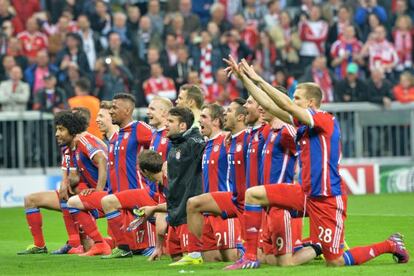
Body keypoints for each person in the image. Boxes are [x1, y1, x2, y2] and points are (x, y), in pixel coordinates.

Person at [223, 56, 409, 269]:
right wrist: (244, 79)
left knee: (336, 261)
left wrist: (257, 78)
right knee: (253, 194)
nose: (294, 102)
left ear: (311, 103)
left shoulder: (324, 118)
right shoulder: (302, 126)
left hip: (327, 197)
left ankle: (389, 244)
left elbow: (284, 105)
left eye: (298, 98)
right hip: (305, 193)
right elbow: (268, 105)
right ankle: (250, 257)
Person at [184, 99, 249, 264]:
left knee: (231, 257)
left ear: (216, 121)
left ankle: (247, 250)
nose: (200, 120)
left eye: (204, 117)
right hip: (208, 212)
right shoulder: (206, 145)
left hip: (225, 209)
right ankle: (198, 251)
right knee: (211, 260)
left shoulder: (226, 140)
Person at [139, 107, 206, 266]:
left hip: (186, 217)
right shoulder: (174, 146)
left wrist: (196, 132)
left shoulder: (192, 143)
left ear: (182, 126)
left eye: (170, 121)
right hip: (174, 216)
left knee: (194, 261)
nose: (166, 124)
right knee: (175, 259)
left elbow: (203, 143)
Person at [17, 111, 89, 255]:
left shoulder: (86, 144)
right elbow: (69, 173)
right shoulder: (67, 149)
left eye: (61, 129)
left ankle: (75, 243)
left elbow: (100, 166)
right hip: (73, 193)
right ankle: (40, 246)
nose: (57, 133)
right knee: (30, 199)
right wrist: (64, 182)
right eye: (57, 129)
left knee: (70, 193)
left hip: (88, 194)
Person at [100, 93, 155, 258]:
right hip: (119, 195)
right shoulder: (117, 136)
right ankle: (125, 247)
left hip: (136, 191)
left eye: (115, 107)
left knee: (149, 236)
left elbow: (159, 142)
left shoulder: (139, 128)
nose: (111, 111)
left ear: (127, 109)